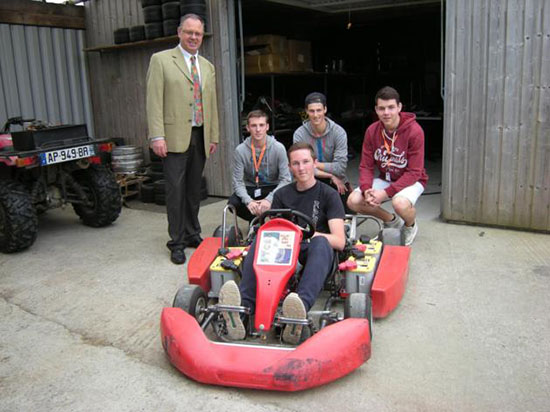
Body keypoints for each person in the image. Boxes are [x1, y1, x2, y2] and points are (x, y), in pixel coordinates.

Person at [219, 142, 346, 344]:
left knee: (321, 243)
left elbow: (339, 240)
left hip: (314, 250)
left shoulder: (328, 195)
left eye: (305, 162)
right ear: (289, 167)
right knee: (261, 238)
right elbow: (272, 229)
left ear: (314, 164)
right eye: (295, 163)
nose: (301, 168)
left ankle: (298, 309)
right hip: (284, 249)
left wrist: (305, 234)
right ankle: (243, 310)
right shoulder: (282, 194)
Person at [146, 14, 219, 264]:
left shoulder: (207, 66)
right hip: (174, 137)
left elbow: (212, 104)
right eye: (189, 32)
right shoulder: (161, 61)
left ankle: (191, 233)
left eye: (198, 33)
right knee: (175, 192)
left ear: (202, 36)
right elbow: (154, 101)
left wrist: (214, 135)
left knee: (193, 190)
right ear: (179, 32)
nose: (193, 37)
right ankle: (176, 242)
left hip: (200, 135)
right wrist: (157, 135)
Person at [347, 86, 428, 246]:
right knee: (353, 201)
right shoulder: (372, 131)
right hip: (386, 177)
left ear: (399, 107)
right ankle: (391, 220)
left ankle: (410, 225)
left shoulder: (414, 131)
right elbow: (366, 166)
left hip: (413, 180)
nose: (386, 112)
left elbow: (414, 172)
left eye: (391, 107)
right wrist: (366, 188)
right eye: (382, 108)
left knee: (399, 203)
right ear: (376, 110)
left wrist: (385, 193)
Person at [228, 110, 291, 222]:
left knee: (289, 198)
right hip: (251, 187)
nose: (258, 129)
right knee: (233, 203)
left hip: (273, 186)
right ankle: (255, 220)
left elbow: (286, 180)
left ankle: (277, 221)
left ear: (267, 127)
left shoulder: (278, 148)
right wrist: (249, 201)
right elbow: (237, 182)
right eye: (253, 126)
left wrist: (269, 199)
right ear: (247, 128)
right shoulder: (240, 150)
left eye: (261, 125)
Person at [293, 92, 350, 204]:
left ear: (325, 109)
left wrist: (314, 164)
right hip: (308, 178)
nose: (315, 115)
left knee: (348, 211)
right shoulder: (299, 134)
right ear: (306, 111)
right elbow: (302, 168)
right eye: (311, 111)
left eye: (319, 110)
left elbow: (340, 167)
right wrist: (330, 175)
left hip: (337, 179)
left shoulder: (338, 132)